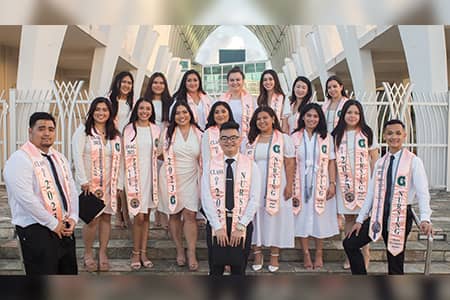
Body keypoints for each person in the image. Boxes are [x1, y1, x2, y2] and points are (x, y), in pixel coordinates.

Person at [343, 119, 433, 275]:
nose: (394, 137)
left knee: (395, 261)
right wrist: (359, 220)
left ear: (405, 135)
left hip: (401, 215)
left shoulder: (414, 161)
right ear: (384, 136)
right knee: (350, 243)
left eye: (398, 133)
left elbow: (423, 192)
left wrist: (425, 218)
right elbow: (371, 193)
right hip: (379, 214)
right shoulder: (380, 163)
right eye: (390, 133)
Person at [4, 112, 79, 275]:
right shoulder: (19, 159)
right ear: (30, 131)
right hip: (36, 229)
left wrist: (73, 217)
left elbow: (71, 188)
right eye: (41, 129)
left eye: (51, 129)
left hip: (63, 227)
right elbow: (26, 198)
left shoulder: (59, 157)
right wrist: (52, 224)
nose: (47, 133)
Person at [201, 121, 261, 275]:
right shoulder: (209, 165)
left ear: (240, 139)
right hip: (217, 225)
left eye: (233, 138)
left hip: (241, 225)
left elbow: (254, 199)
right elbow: (206, 197)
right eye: (225, 138)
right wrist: (217, 226)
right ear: (219, 141)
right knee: (215, 269)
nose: (229, 142)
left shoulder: (251, 166)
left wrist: (241, 226)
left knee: (238, 269)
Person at [72, 97, 122, 272]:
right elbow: (77, 155)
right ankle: (87, 253)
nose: (101, 113)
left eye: (105, 110)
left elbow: (119, 159)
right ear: (92, 112)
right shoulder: (83, 131)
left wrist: (118, 184)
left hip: (109, 183)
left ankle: (102, 253)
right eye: (98, 109)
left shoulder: (114, 135)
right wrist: (82, 180)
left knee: (106, 217)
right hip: (89, 183)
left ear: (110, 113)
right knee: (92, 219)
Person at [245, 106, 295, 273]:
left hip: (277, 183)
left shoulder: (284, 139)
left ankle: (274, 254)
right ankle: (257, 252)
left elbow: (289, 163)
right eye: (258, 119)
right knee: (255, 217)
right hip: (255, 185)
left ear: (273, 119)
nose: (262, 121)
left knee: (275, 218)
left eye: (265, 118)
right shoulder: (251, 140)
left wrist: (289, 185)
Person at [331, 100, 379, 270]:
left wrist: (376, 182)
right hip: (344, 185)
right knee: (349, 219)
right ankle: (350, 254)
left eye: (356, 113)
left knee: (363, 218)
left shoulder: (366, 133)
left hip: (363, 183)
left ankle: (365, 253)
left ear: (361, 115)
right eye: (349, 112)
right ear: (343, 114)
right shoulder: (336, 135)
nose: (352, 116)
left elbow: (374, 158)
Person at [291, 103, 338, 270]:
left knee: (320, 218)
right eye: (308, 115)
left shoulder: (326, 137)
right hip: (300, 183)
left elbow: (332, 162)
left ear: (320, 119)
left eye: (315, 116)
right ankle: (306, 254)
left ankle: (319, 252)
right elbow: (289, 163)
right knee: (302, 218)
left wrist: (332, 184)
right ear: (302, 117)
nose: (312, 119)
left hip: (321, 182)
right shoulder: (294, 137)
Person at [158, 101, 203, 271]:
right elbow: (159, 154)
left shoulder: (199, 133)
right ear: (173, 116)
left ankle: (191, 252)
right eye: (177, 113)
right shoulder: (168, 133)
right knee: (175, 215)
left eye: (185, 112)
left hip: (191, 176)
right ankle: (179, 250)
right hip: (171, 178)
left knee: (190, 214)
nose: (181, 116)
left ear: (190, 113)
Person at [122, 98, 160, 270]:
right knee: (138, 217)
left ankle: (144, 252)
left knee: (146, 219)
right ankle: (135, 252)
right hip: (134, 177)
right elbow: (122, 155)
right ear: (136, 110)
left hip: (151, 177)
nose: (145, 111)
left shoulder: (156, 129)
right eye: (142, 108)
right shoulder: (129, 130)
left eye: (148, 108)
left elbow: (160, 153)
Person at [143, 72, 173, 229]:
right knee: (151, 181)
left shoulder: (169, 102)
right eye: (155, 82)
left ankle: (163, 213)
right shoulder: (145, 102)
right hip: (148, 141)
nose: (158, 85)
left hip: (164, 142)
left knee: (163, 181)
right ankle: (155, 213)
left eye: (161, 83)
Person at [108, 71, 134, 229]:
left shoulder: (132, 103)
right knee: (116, 181)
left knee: (126, 181)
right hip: (113, 143)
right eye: (123, 82)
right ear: (117, 83)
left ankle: (126, 214)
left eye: (129, 83)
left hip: (128, 145)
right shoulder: (109, 100)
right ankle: (118, 215)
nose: (126, 85)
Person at [219, 66, 256, 138]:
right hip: (226, 140)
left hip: (247, 139)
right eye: (232, 80)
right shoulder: (221, 100)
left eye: (238, 80)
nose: (235, 82)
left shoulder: (251, 100)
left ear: (243, 81)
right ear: (228, 82)